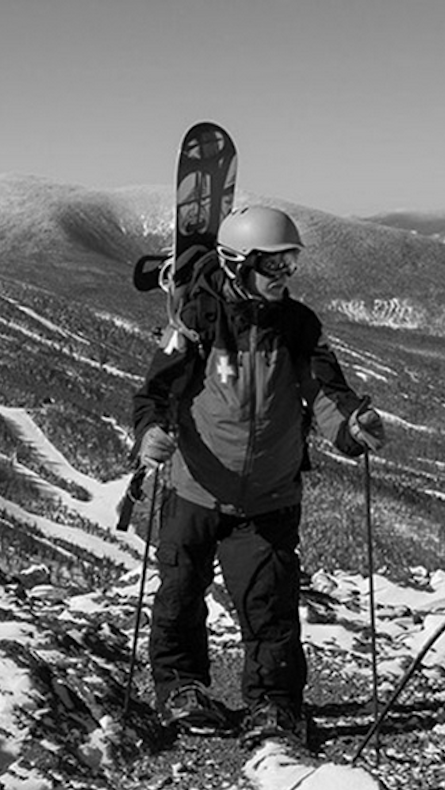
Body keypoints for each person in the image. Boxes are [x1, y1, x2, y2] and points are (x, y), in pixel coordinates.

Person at [131, 205, 386, 746]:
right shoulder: (197, 319)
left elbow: (325, 393)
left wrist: (352, 429)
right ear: (238, 264)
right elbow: (155, 392)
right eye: (273, 266)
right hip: (194, 488)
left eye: (290, 264)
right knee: (179, 593)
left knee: (270, 606)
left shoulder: (297, 326)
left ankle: (274, 705)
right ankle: (182, 688)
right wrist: (150, 431)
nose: (284, 277)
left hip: (268, 496)